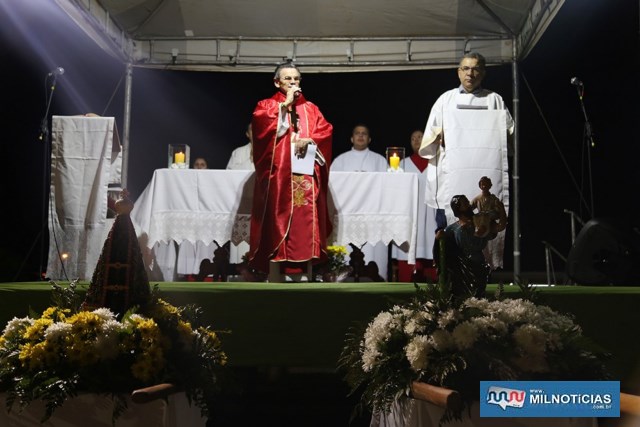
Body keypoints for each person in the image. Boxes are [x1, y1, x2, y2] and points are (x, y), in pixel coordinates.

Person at [419, 51, 514, 269]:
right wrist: (440, 136)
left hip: (486, 168)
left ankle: (485, 270)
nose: (471, 73)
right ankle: (448, 268)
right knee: (451, 223)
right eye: (466, 68)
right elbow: (429, 138)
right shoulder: (446, 99)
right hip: (453, 171)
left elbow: (510, 137)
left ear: (483, 72)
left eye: (476, 68)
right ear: (458, 72)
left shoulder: (494, 100)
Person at [249, 62, 333, 282]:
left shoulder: (312, 109)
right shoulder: (266, 106)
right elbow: (262, 135)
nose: (293, 83)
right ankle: (275, 274)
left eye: (296, 79)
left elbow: (325, 132)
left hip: (304, 177)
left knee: (303, 226)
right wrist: (284, 107)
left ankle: (304, 274)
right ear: (277, 82)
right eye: (288, 79)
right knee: (278, 222)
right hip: (279, 178)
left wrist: (311, 140)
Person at [331, 124, 389, 280]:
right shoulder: (340, 161)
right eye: (357, 133)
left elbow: (386, 187)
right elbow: (332, 186)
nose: (360, 136)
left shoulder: (379, 161)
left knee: (373, 250)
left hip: (372, 213)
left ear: (369, 139)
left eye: (364, 133)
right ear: (351, 138)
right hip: (347, 213)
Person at [391, 129, 438, 282]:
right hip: (410, 215)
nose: (417, 140)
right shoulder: (402, 164)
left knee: (431, 246)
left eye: (420, 137)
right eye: (413, 138)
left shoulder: (436, 163)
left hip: (431, 215)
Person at [435, 194, 493, 298]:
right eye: (465, 203)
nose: (468, 205)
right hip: (460, 267)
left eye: (467, 202)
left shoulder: (479, 223)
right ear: (458, 208)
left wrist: (482, 232)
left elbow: (490, 235)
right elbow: (443, 247)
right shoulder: (452, 228)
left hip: (477, 263)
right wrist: (438, 238)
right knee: (461, 294)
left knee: (477, 294)